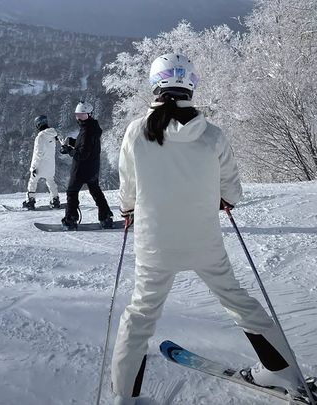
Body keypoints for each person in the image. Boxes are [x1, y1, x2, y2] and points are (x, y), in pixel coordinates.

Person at [110, 52, 304, 405]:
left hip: (155, 244)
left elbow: (128, 190)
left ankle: (125, 396)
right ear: (191, 86)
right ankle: (282, 371)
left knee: (140, 314)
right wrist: (219, 198)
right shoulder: (212, 134)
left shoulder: (136, 131)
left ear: (155, 85)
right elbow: (231, 192)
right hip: (204, 242)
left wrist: (127, 209)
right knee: (239, 302)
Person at [60, 101, 114, 230]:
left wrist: (68, 150)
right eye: (77, 115)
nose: (79, 119)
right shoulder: (92, 127)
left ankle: (71, 220)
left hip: (80, 169)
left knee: (72, 192)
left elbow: (82, 154)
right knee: (96, 191)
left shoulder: (86, 131)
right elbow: (86, 145)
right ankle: (106, 217)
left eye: (82, 116)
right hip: (93, 168)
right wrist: (72, 142)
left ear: (89, 115)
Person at [22, 115, 61, 210]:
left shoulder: (40, 137)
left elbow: (38, 153)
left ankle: (30, 201)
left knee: (33, 181)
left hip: (40, 165)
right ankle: (55, 200)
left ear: (38, 124)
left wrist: (33, 167)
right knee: (51, 181)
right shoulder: (53, 135)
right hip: (51, 165)